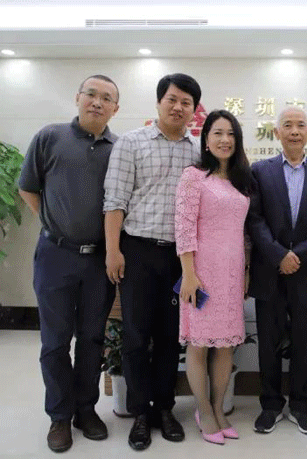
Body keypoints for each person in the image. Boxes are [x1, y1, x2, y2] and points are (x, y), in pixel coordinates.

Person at [18, 75, 120, 453]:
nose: (97, 102)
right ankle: (59, 416)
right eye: (91, 94)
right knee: (56, 341)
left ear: (115, 108)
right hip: (55, 256)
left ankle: (86, 410)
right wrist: (52, 224)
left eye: (106, 98)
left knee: (92, 339)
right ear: (78, 97)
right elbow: (28, 187)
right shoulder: (50, 137)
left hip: (98, 261)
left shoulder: (118, 149)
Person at [103, 73, 202, 451]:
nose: (178, 107)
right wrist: (113, 251)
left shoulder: (199, 151)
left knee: (169, 336)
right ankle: (140, 413)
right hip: (139, 251)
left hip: (180, 257)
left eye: (186, 102)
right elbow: (115, 200)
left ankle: (164, 408)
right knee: (135, 334)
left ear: (194, 110)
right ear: (159, 102)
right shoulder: (131, 143)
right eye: (172, 99)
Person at [247, 106, 307, 435]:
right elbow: (254, 218)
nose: (295, 131)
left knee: (304, 341)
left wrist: (296, 255)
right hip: (269, 270)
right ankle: (270, 405)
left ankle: (301, 405)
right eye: (288, 125)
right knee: (268, 342)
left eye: (301, 125)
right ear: (277, 133)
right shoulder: (259, 171)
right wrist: (278, 255)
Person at [174, 110, 253, 445]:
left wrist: (246, 271)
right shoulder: (193, 177)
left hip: (232, 273)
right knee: (199, 344)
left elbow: (244, 233)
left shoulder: (240, 180)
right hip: (201, 273)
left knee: (226, 346)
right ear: (206, 139)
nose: (225, 140)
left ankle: (219, 409)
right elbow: (183, 227)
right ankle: (203, 410)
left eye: (231, 134)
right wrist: (189, 274)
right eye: (218, 133)